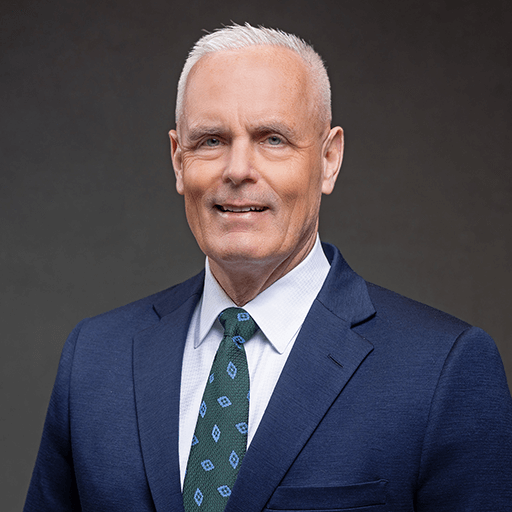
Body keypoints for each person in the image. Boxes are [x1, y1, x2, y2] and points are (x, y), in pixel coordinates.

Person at [25, 23, 512, 512]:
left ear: (329, 159)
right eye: (211, 140)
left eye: (273, 139)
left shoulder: (443, 370)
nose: (238, 169)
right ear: (178, 160)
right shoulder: (94, 359)